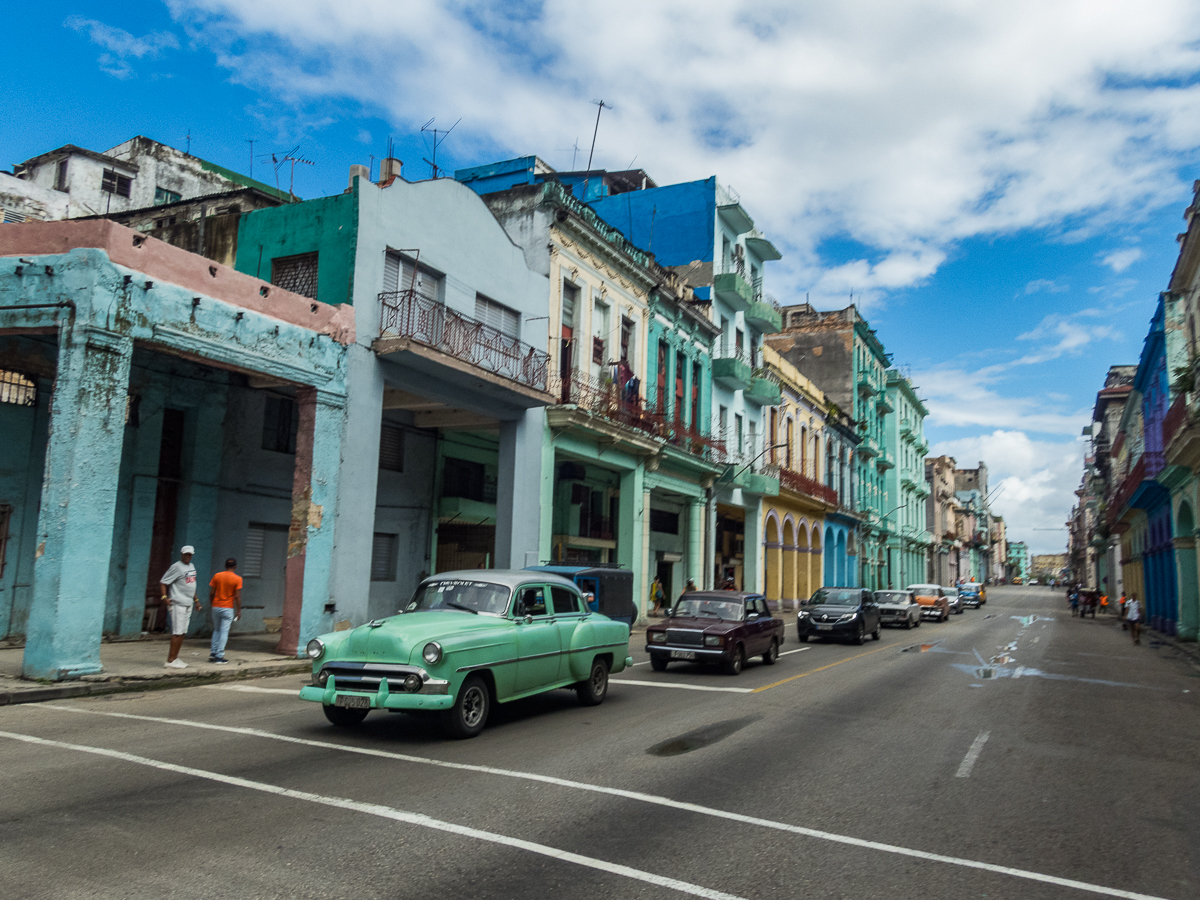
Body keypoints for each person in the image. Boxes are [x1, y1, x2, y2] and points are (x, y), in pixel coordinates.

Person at [161, 546, 200, 668]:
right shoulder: (176, 567)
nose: (188, 556)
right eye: (186, 554)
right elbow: (163, 582)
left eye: (190, 554)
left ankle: (175, 658)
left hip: (188, 603)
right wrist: (164, 597)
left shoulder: (191, 566)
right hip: (178, 603)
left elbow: (191, 584)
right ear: (181, 554)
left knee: (183, 631)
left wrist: (196, 600)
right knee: (177, 632)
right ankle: (170, 660)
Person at [208, 558, 243, 664]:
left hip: (216, 606)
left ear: (225, 566)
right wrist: (239, 610)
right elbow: (237, 596)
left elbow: (211, 593)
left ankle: (213, 653)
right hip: (228, 607)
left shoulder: (217, 576)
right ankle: (219, 656)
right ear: (235, 567)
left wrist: (212, 603)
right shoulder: (237, 579)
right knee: (224, 632)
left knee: (217, 630)